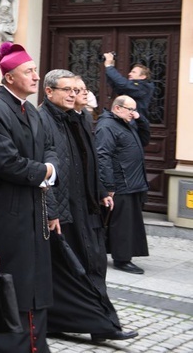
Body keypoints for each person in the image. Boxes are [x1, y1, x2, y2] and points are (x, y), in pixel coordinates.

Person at [38, 70, 137, 342]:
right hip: (63, 211)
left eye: (76, 89)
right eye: (67, 90)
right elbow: (44, 172)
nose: (74, 94)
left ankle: (93, 322)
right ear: (49, 92)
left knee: (92, 265)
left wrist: (101, 191)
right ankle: (101, 325)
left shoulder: (78, 118)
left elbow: (89, 160)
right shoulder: (41, 120)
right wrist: (52, 211)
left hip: (86, 205)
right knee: (75, 270)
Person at [0, 42, 58, 353]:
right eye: (30, 71)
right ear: (10, 77)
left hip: (32, 209)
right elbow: (4, 162)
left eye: (35, 70)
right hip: (7, 211)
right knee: (12, 282)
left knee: (34, 279)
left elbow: (50, 148)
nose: (37, 76)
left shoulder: (30, 110)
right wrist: (45, 172)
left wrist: (49, 168)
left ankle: (34, 343)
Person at [95, 95, 150, 275]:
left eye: (135, 110)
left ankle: (123, 255)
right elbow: (103, 156)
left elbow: (144, 139)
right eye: (130, 110)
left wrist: (140, 120)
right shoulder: (107, 126)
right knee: (122, 224)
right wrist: (109, 186)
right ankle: (122, 259)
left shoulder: (126, 123)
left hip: (132, 181)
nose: (133, 114)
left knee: (129, 222)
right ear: (117, 108)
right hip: (120, 183)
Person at [102, 52, 154, 120]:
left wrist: (109, 67)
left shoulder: (144, 87)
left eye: (133, 72)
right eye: (131, 71)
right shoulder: (132, 88)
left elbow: (123, 84)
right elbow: (117, 86)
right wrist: (110, 67)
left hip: (136, 123)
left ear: (143, 77)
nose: (129, 74)